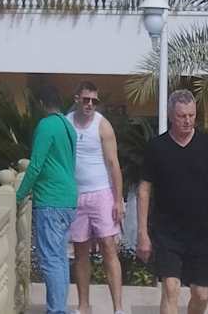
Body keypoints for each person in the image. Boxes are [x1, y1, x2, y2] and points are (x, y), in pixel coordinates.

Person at [135, 90, 208, 314]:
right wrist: (142, 233)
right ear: (170, 116)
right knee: (170, 288)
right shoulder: (156, 147)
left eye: (191, 115)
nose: (187, 120)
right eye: (181, 116)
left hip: (201, 232)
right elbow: (144, 189)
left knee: (201, 295)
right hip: (166, 232)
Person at [16, 96, 80, 313]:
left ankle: (57, 310)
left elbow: (35, 165)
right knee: (60, 259)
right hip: (68, 199)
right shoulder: (68, 127)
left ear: (41, 104)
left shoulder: (46, 126)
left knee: (51, 260)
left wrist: (18, 196)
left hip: (50, 200)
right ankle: (60, 308)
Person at [66, 81, 126, 313]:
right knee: (80, 252)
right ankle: (83, 306)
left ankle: (118, 308)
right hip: (76, 196)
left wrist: (118, 200)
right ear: (77, 99)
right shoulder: (67, 123)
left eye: (94, 100)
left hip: (102, 194)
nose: (90, 104)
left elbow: (113, 164)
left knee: (109, 248)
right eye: (86, 99)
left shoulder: (103, 125)